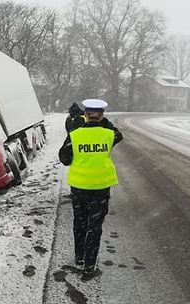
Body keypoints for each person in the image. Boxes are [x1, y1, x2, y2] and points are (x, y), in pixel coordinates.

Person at [58, 99, 123, 281]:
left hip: (79, 187)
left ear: (85, 115)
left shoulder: (75, 135)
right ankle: (89, 265)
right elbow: (119, 135)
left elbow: (64, 157)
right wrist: (103, 123)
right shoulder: (109, 134)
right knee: (95, 227)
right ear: (102, 115)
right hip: (101, 188)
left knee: (80, 222)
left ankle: (79, 256)